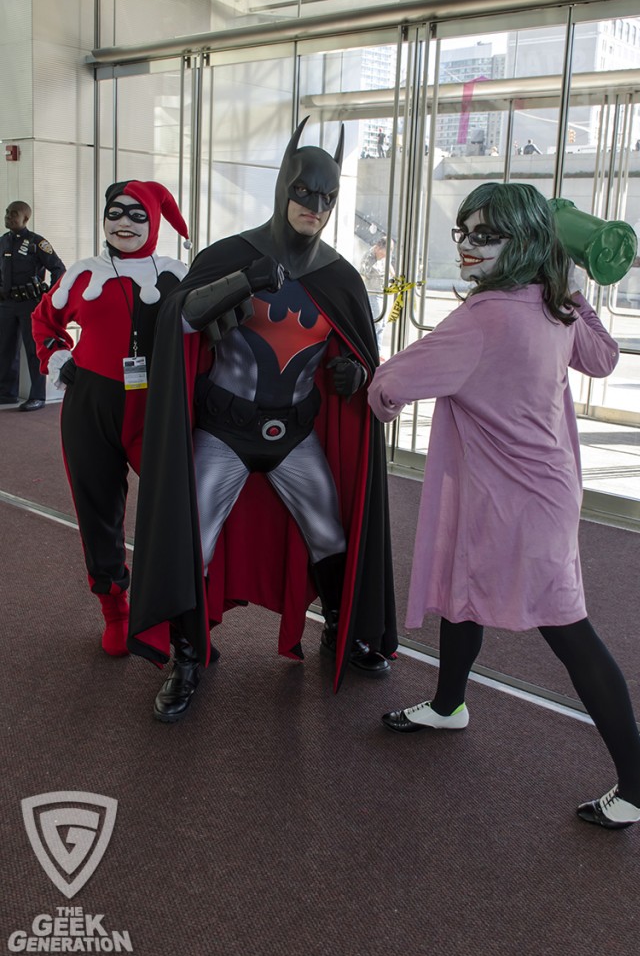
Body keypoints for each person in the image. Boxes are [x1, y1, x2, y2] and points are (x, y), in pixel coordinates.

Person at [368, 181, 640, 829]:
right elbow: (605, 357)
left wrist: (376, 399)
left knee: (569, 631)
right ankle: (451, 703)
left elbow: (390, 383)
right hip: (535, 492)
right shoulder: (553, 303)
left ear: (526, 241)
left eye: (487, 235)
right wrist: (570, 285)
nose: (470, 247)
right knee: (464, 585)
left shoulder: (484, 319)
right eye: (465, 232)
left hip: (520, 505)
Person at [128, 117, 397, 722]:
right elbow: (181, 320)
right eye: (305, 191)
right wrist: (239, 282)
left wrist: (358, 378)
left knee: (332, 534)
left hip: (295, 431)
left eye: (328, 197)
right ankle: (188, 656)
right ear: (283, 187)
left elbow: (358, 354)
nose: (316, 206)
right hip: (224, 428)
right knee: (190, 539)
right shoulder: (231, 254)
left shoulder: (339, 277)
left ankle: (341, 633)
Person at [32, 180, 191, 657]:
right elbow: (44, 322)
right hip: (91, 405)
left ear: (155, 223)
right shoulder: (83, 275)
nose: (124, 223)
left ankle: (182, 613)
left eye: (137, 215)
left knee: (179, 508)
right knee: (97, 508)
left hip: (158, 407)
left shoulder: (178, 277)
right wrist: (60, 358)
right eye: (115, 213)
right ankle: (116, 610)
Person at [0, 201, 66, 410]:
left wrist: (49, 295)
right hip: (6, 303)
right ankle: (7, 393)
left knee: (33, 350)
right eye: (7, 213)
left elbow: (58, 268)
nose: (8, 217)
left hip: (30, 304)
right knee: (5, 349)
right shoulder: (3, 242)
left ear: (25, 218)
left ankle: (38, 396)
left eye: (14, 214)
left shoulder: (36, 242)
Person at [360, 235, 395, 355]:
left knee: (383, 323)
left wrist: (394, 276)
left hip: (383, 292)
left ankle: (378, 349)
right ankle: (373, 351)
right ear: (378, 248)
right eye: (384, 253)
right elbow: (363, 274)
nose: (385, 256)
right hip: (373, 292)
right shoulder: (369, 257)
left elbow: (388, 264)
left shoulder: (384, 256)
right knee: (377, 322)